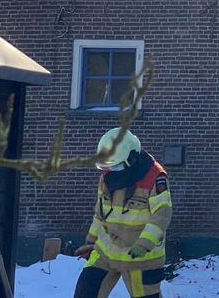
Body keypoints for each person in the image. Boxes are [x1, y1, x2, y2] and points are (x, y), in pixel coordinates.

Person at [73, 128, 171, 298]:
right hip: (106, 251)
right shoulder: (107, 176)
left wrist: (144, 244)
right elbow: (100, 214)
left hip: (139, 257)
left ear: (131, 158)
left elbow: (161, 214)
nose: (110, 171)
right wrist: (90, 242)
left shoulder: (154, 176)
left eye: (115, 166)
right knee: (85, 290)